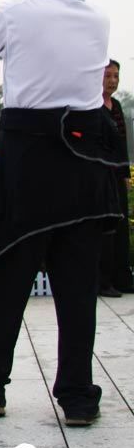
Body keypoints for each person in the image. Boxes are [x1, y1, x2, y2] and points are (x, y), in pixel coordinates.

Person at [0, 0, 123, 427]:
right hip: (86, 160)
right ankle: (77, 396)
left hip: (28, 161)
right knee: (76, 286)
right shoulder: (98, 19)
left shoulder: (17, 15)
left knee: (6, 276)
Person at [99, 60, 133, 296]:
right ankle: (103, 281)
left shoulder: (117, 106)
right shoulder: (91, 106)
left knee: (121, 226)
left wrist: (125, 174)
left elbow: (122, 144)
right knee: (105, 229)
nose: (112, 81)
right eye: (108, 76)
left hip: (116, 175)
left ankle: (123, 278)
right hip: (99, 177)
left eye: (115, 76)